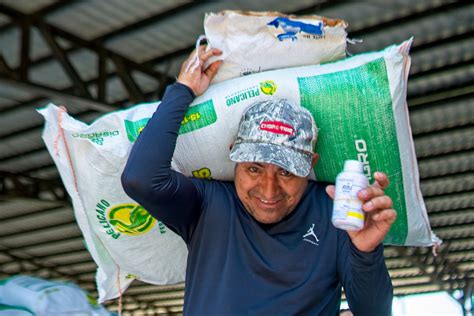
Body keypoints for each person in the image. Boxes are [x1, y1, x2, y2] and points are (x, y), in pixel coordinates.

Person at [121, 45, 397, 315]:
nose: (268, 189)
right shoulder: (210, 205)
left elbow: (373, 312)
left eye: (286, 172)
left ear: (310, 165)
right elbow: (141, 179)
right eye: (254, 168)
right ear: (234, 157)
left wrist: (366, 251)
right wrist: (182, 91)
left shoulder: (335, 214)